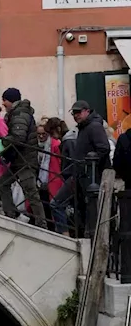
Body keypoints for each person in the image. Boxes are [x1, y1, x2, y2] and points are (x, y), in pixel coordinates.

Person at [50, 100, 111, 235]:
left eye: (78, 112)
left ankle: (68, 236)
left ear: (87, 111)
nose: (75, 115)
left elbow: (103, 148)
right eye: (74, 113)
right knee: (80, 209)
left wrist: (88, 164)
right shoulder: (85, 127)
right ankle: (74, 235)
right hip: (82, 175)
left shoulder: (93, 126)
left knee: (58, 203)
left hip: (88, 176)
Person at [0, 88, 47, 228]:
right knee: (3, 183)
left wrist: (1, 142)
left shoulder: (19, 114)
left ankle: (41, 224)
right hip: (20, 159)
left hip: (25, 160)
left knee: (30, 191)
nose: (3, 103)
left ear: (11, 100)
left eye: (4, 100)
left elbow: (18, 136)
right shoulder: (19, 113)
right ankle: (11, 214)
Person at [35, 123, 62, 231]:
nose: (41, 137)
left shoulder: (54, 145)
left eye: (44, 134)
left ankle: (51, 228)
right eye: (39, 134)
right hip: (39, 179)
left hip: (51, 178)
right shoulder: (35, 145)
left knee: (50, 204)